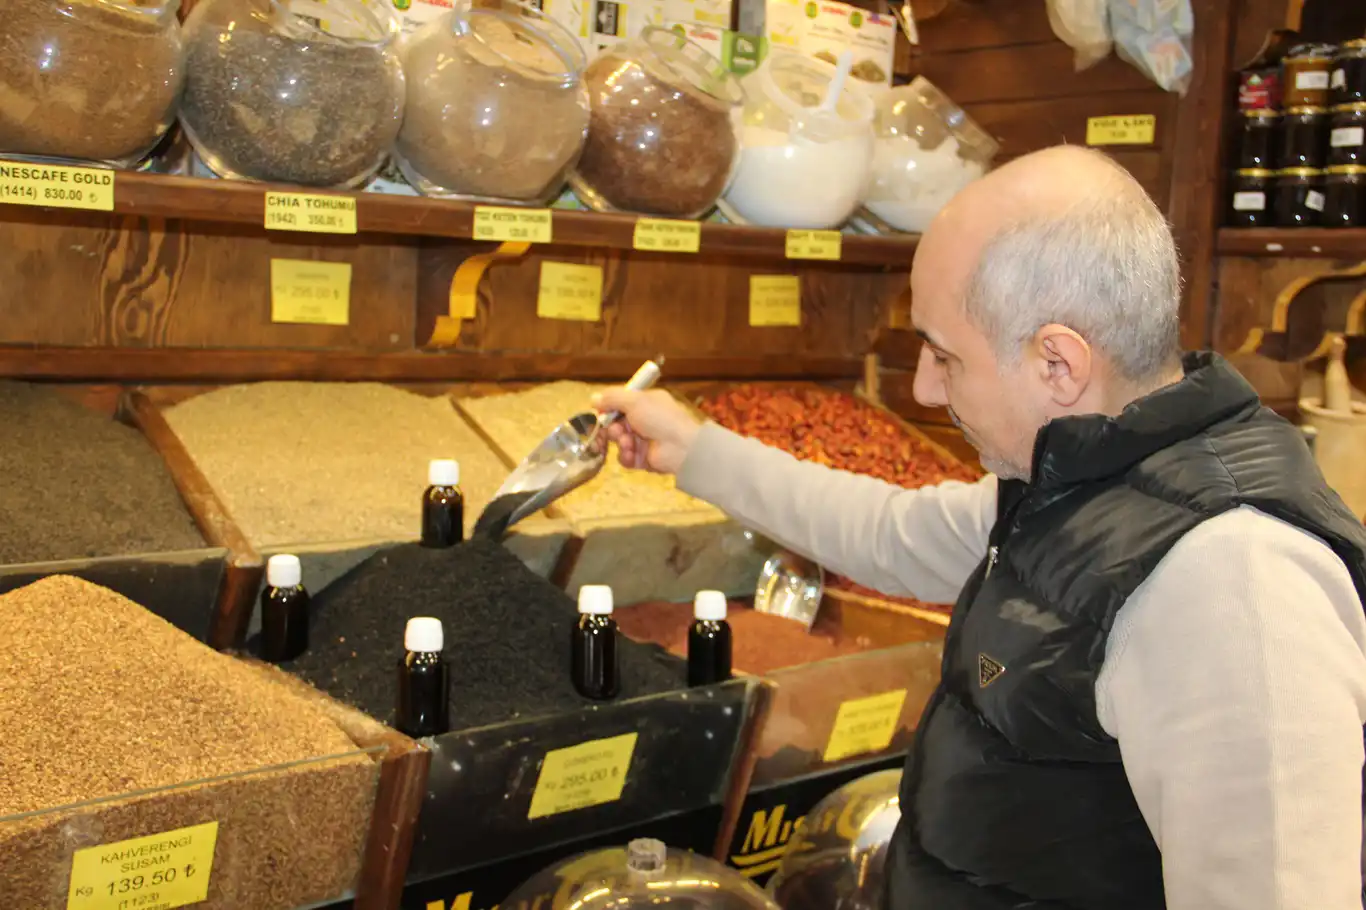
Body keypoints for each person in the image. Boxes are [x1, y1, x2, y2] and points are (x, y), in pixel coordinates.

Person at [597, 145, 1366, 910]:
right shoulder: (1075, 479)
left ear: (1058, 364)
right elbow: (889, 533)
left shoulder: (1232, 582)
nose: (928, 389)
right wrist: (693, 449)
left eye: (944, 355)